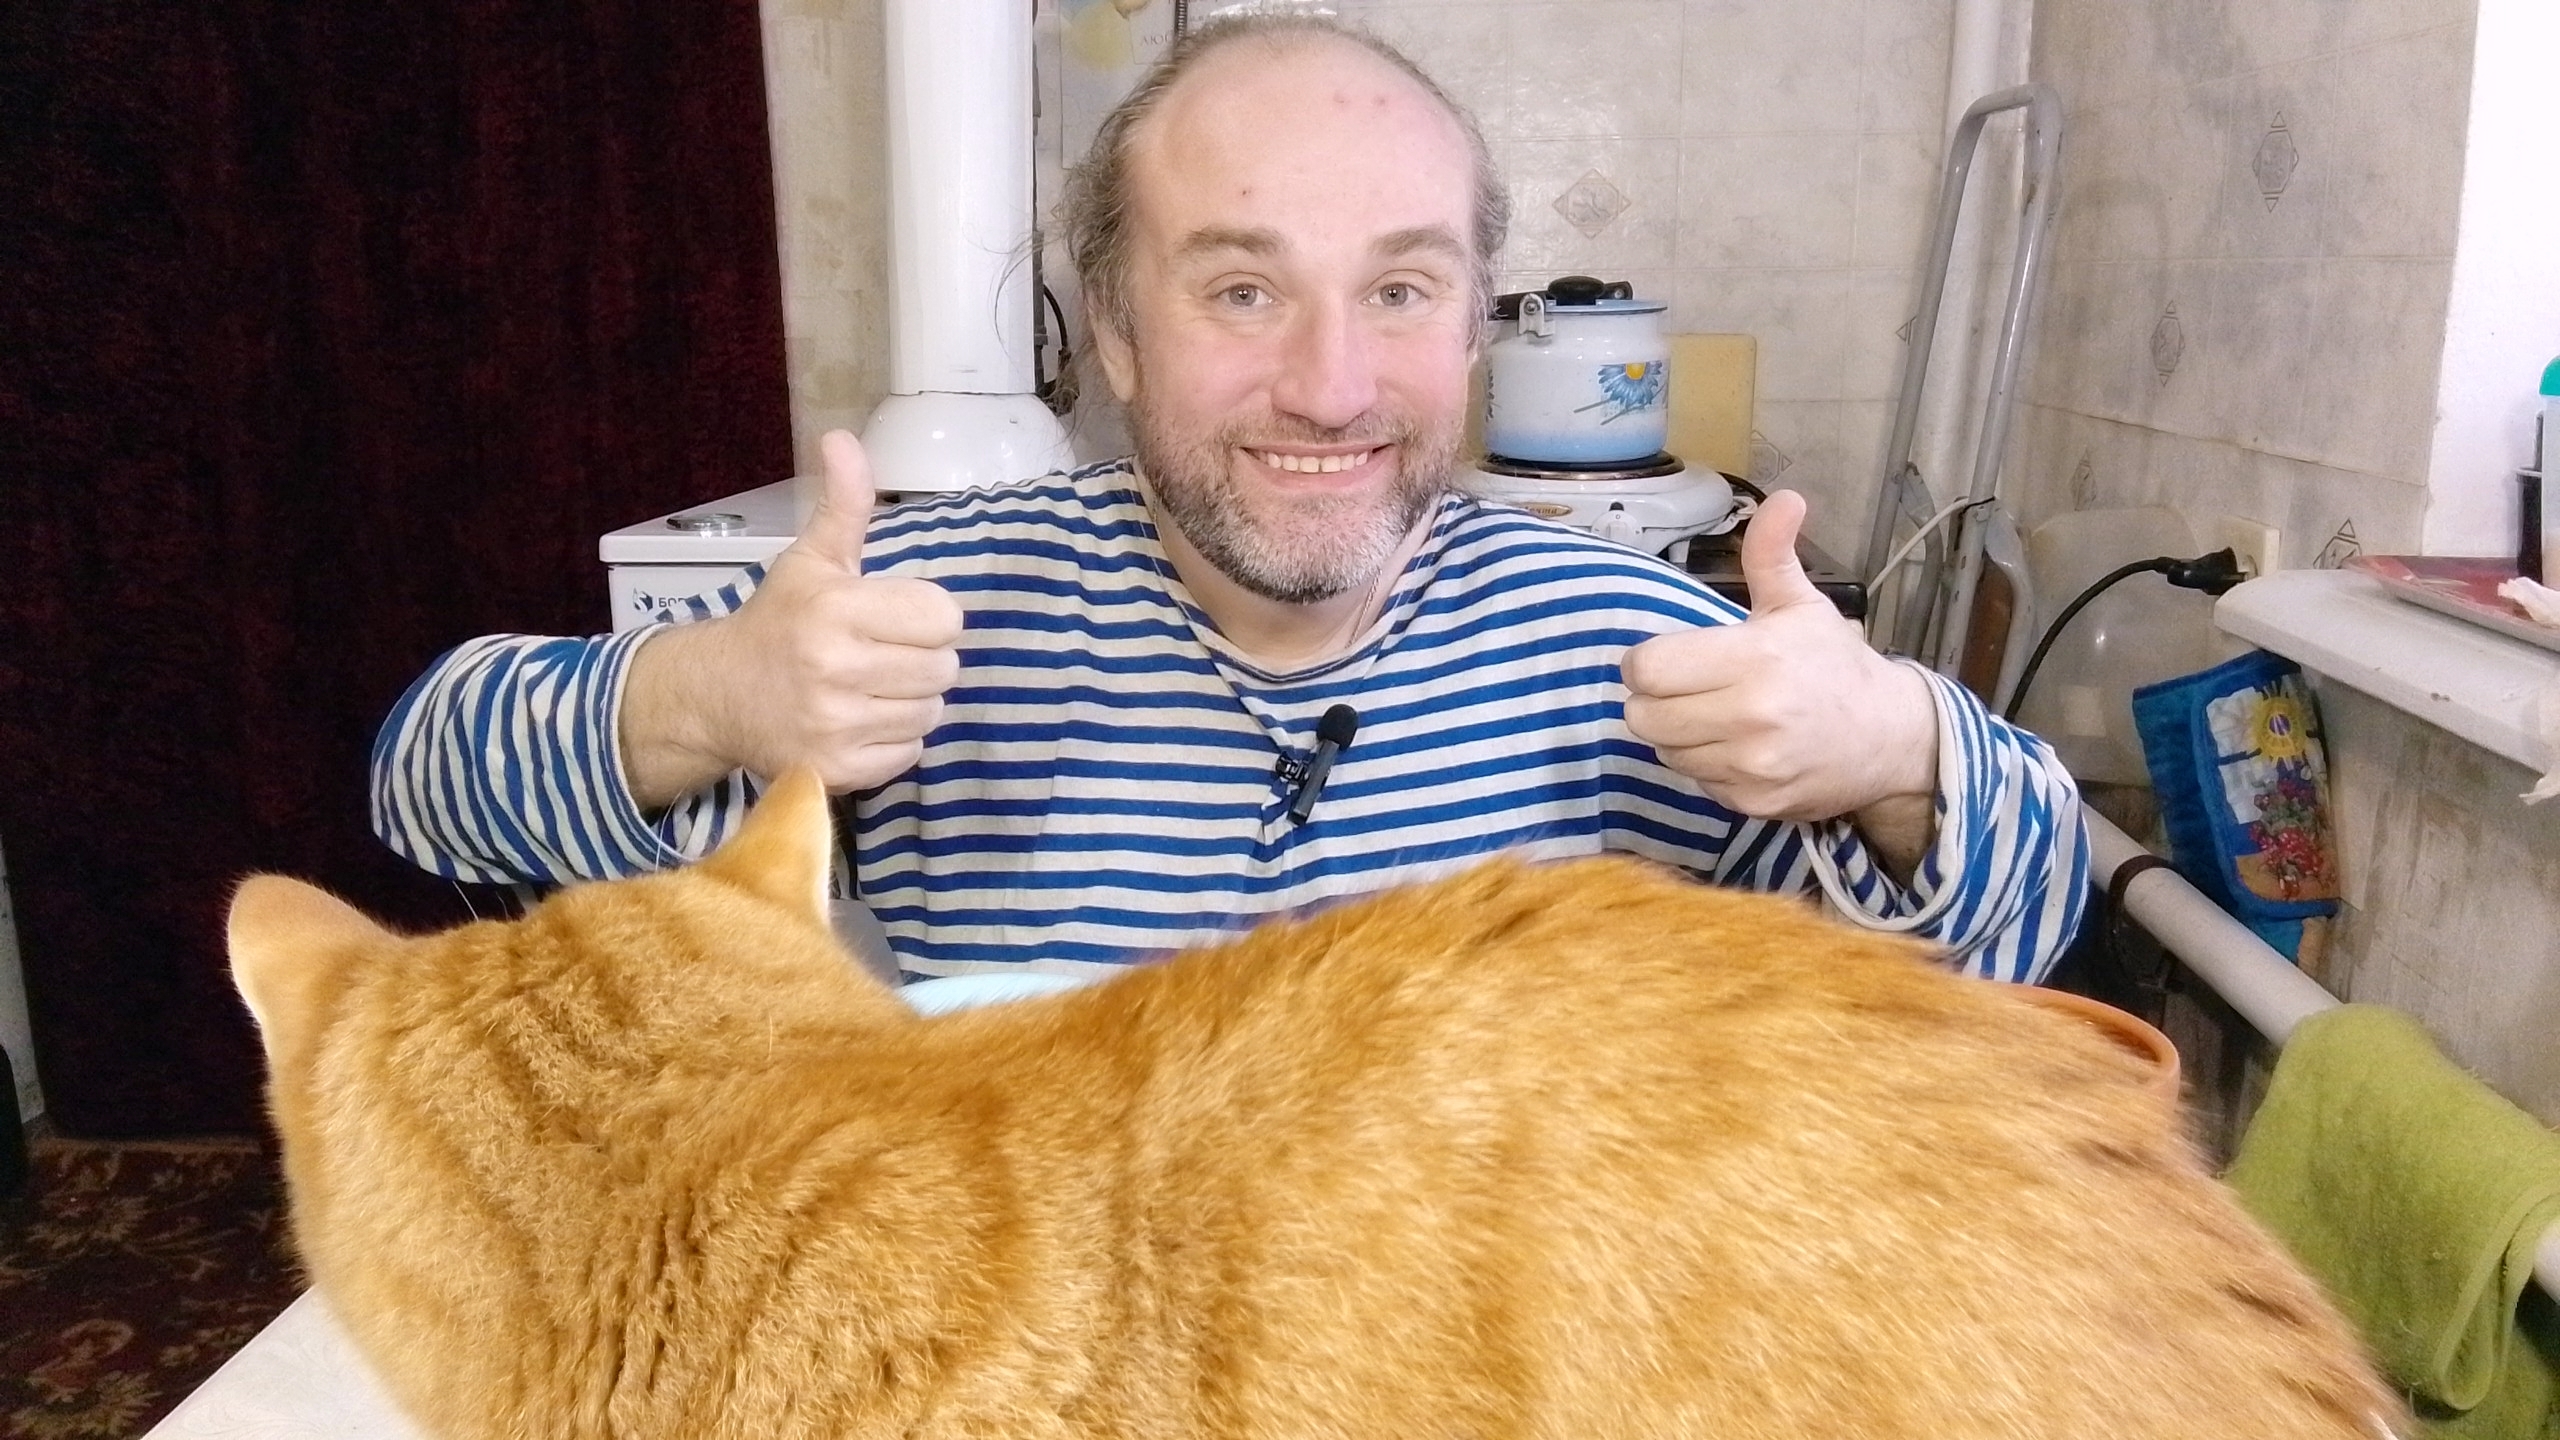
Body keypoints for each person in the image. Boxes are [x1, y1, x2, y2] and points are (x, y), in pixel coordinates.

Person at [372, 15, 2087, 983]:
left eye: (1399, 290)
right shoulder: (926, 617)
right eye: (1243, 289)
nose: (1332, 386)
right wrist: (703, 696)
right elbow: (424, 782)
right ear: (1116, 332)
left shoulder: (1634, 652)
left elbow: (2024, 935)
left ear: (1469, 333)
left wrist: (1897, 754)